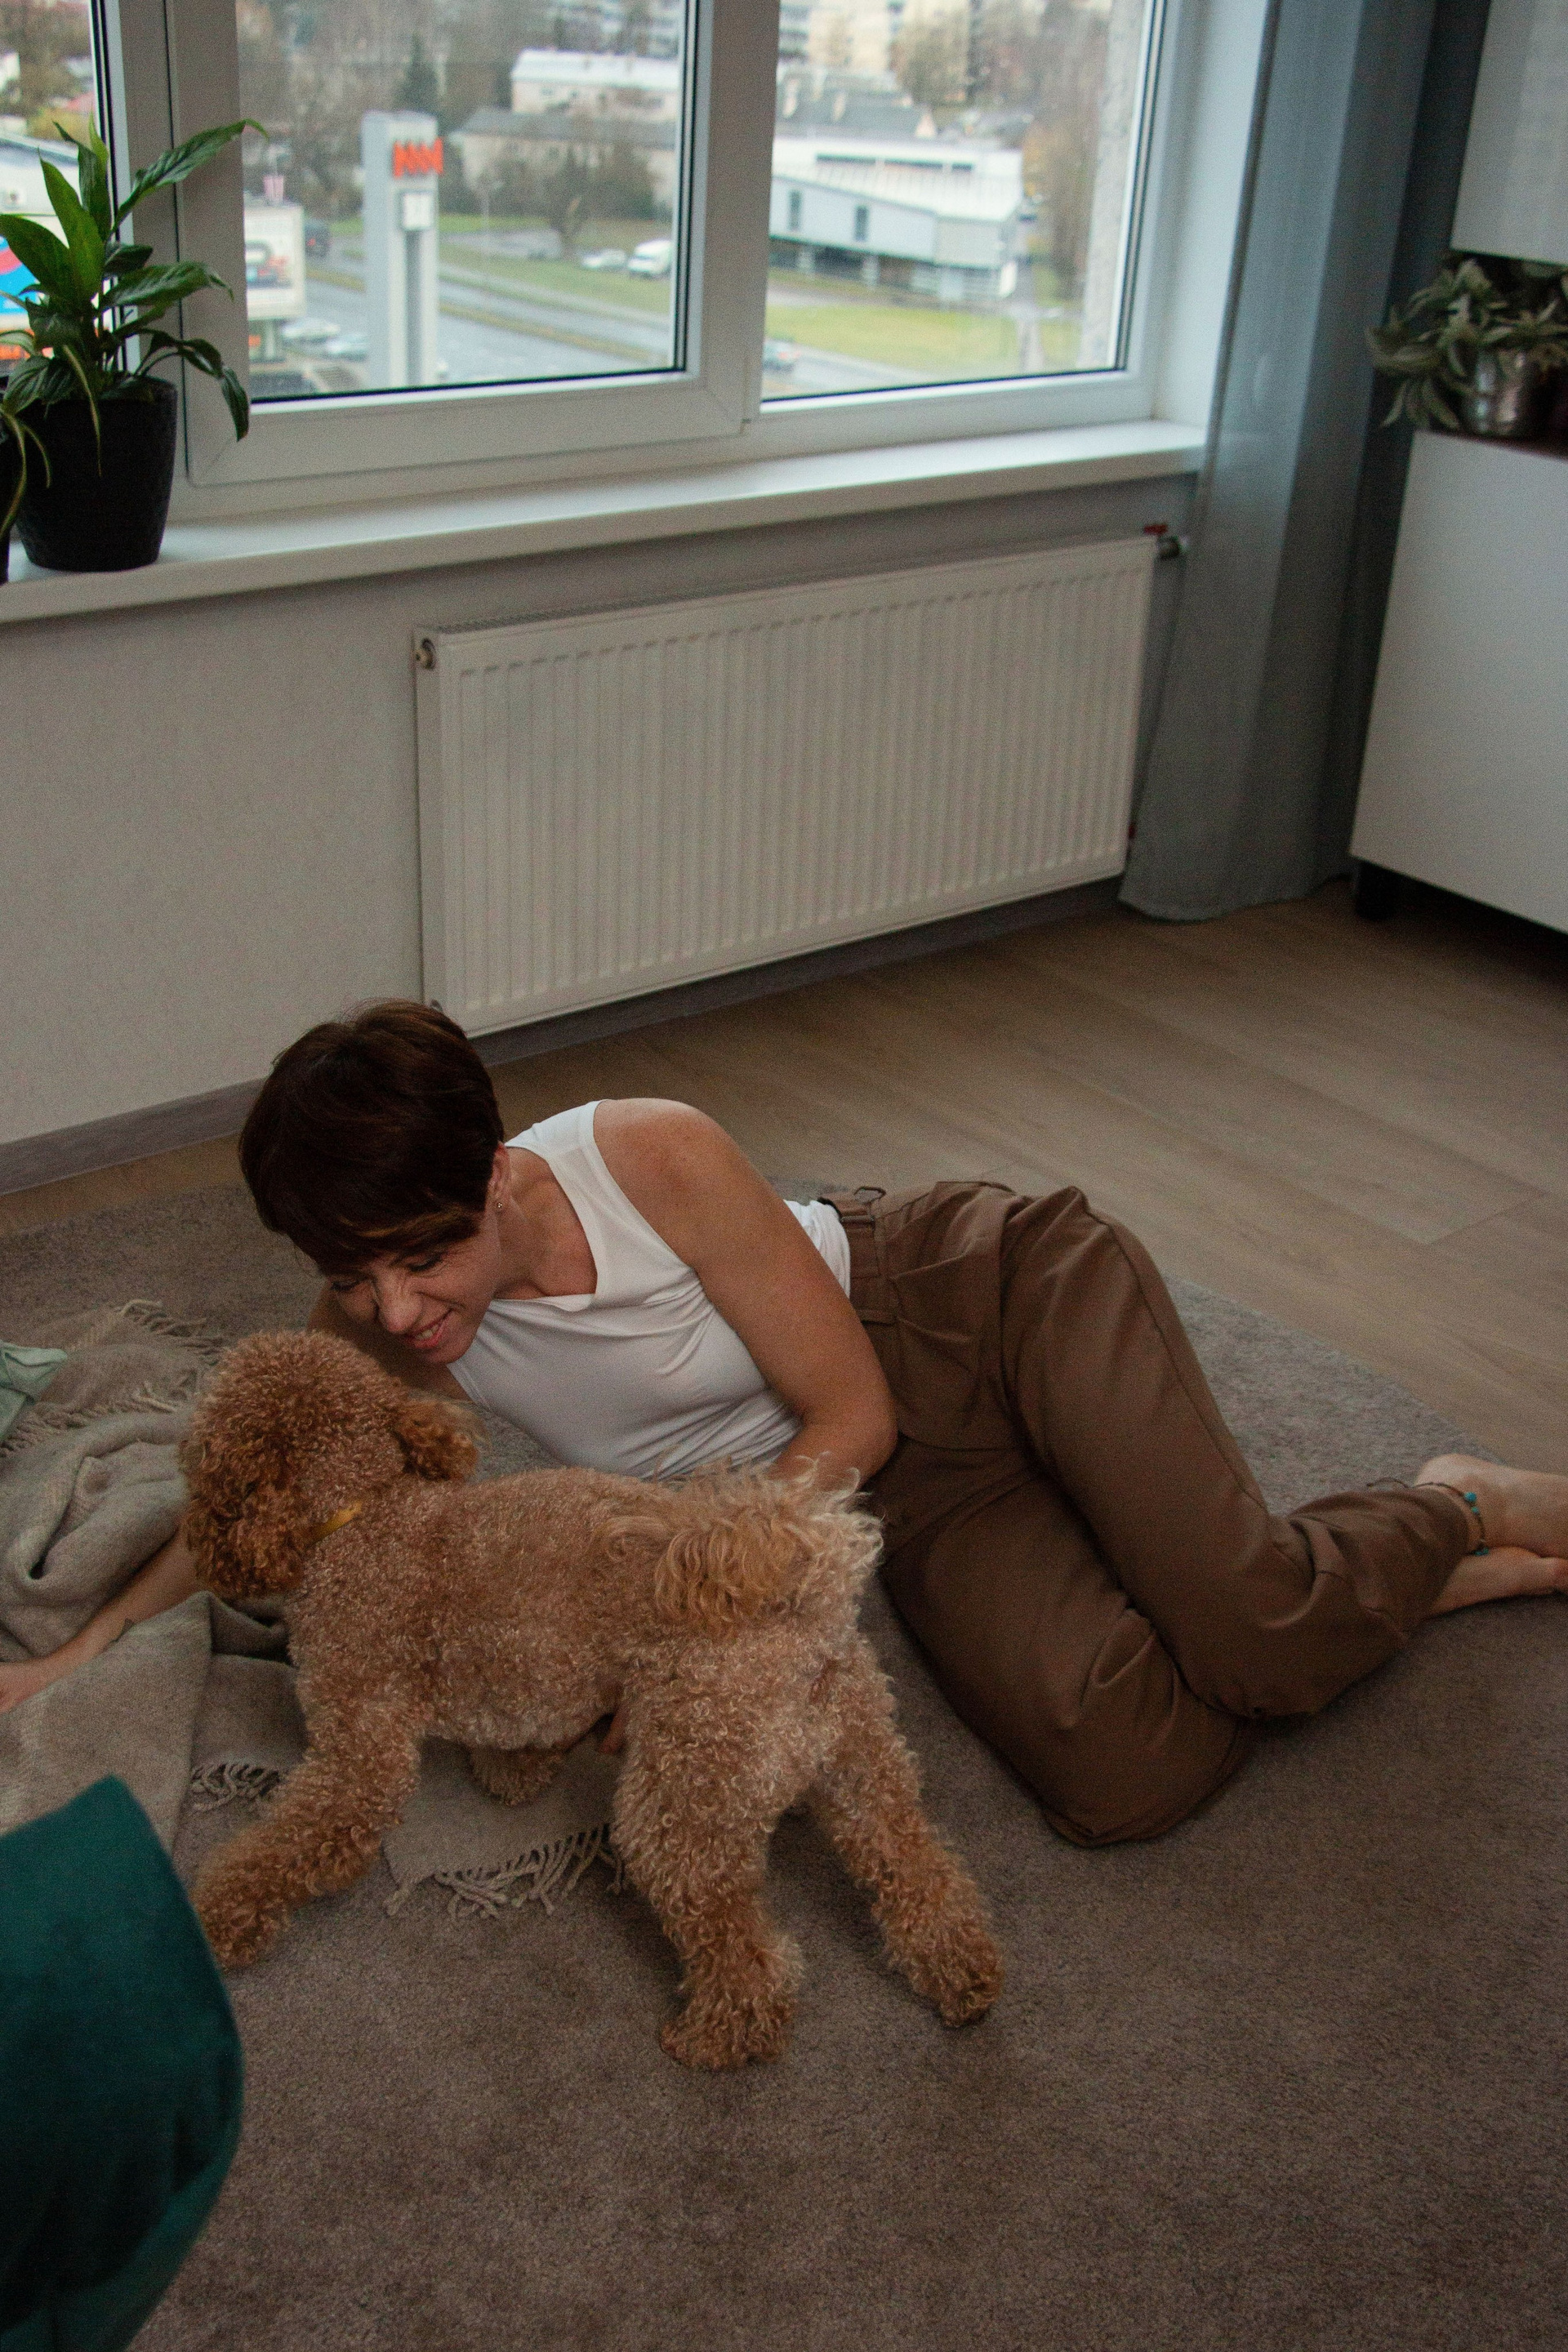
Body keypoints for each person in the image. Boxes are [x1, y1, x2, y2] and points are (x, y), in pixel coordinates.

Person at [6, 1001, 1567, 1844]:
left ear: (491, 1175)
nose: (398, 1312)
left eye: (421, 1259)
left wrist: (682, 1615)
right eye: (356, 1277)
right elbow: (251, 1499)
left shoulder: (649, 1154)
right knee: (1123, 1777)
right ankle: (1395, 1575)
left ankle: (1458, 1502)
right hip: (871, 1486)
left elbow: (852, 1406)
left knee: (1253, 1623)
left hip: (977, 1305)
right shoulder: (371, 1327)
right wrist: (81, 1657)